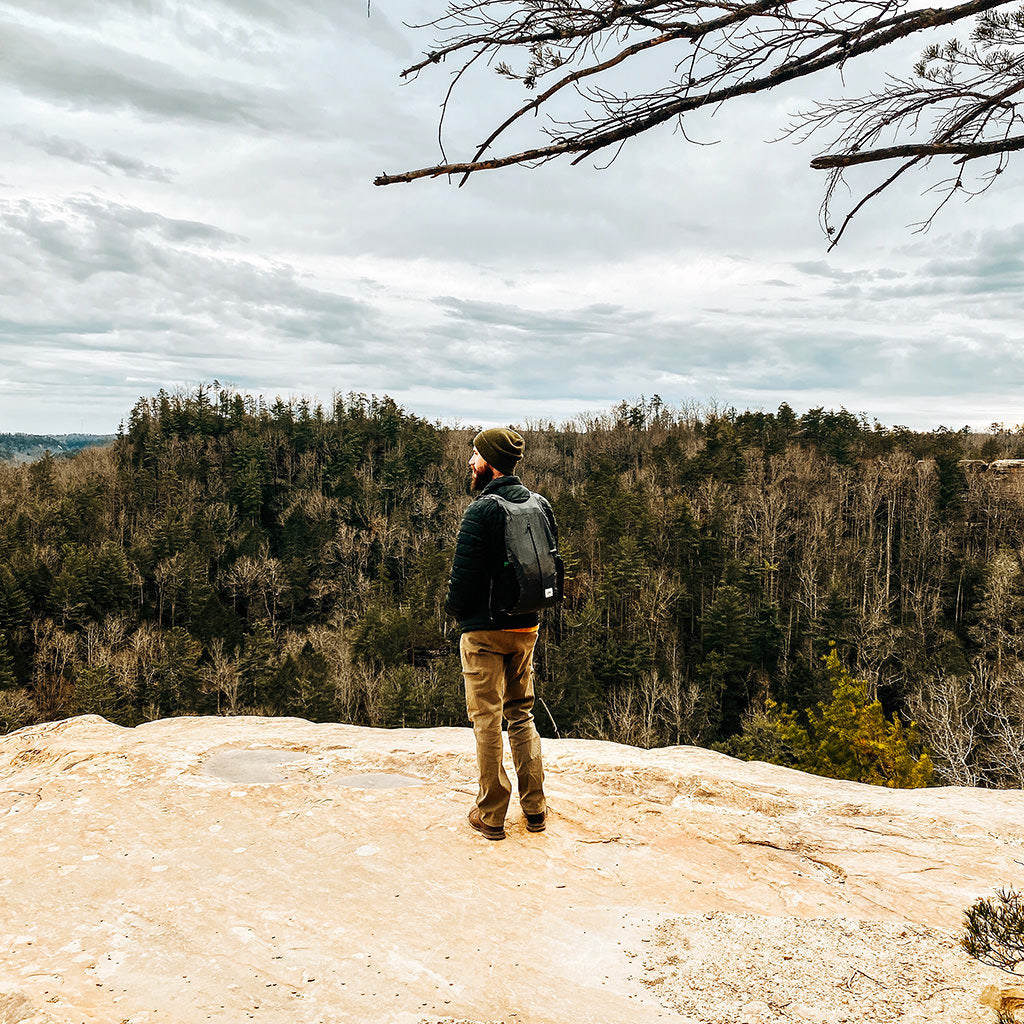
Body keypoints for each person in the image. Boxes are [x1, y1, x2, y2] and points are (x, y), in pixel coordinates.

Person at [445, 427, 558, 841]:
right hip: (527, 625)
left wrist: (455, 613)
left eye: (475, 455)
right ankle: (536, 809)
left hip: (485, 633)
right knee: (521, 713)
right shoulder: (540, 505)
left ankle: (491, 814)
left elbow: (463, 580)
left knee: (487, 719)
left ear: (490, 463)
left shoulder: (482, 510)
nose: (470, 462)